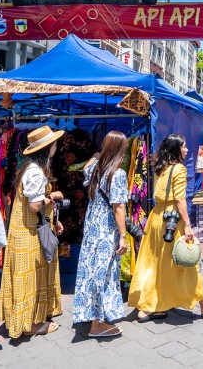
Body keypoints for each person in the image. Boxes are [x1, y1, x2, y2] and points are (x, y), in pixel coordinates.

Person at [128, 134, 203, 322]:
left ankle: (148, 306)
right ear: (176, 150)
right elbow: (180, 199)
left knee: (155, 263)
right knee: (185, 263)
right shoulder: (179, 169)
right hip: (173, 220)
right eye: (183, 147)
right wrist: (188, 225)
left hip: (156, 217)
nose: (187, 150)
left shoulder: (160, 167)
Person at [0, 125, 65, 338]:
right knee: (30, 277)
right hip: (29, 233)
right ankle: (29, 325)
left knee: (29, 276)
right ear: (47, 148)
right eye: (54, 143)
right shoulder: (36, 172)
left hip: (28, 229)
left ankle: (29, 317)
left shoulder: (30, 168)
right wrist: (53, 197)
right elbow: (35, 206)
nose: (56, 146)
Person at [73, 131, 130, 338]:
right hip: (106, 229)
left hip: (92, 227)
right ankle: (96, 325)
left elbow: (88, 164)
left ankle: (93, 314)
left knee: (92, 270)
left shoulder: (94, 168)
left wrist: (98, 154)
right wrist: (123, 236)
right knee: (103, 273)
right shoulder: (117, 173)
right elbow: (119, 208)